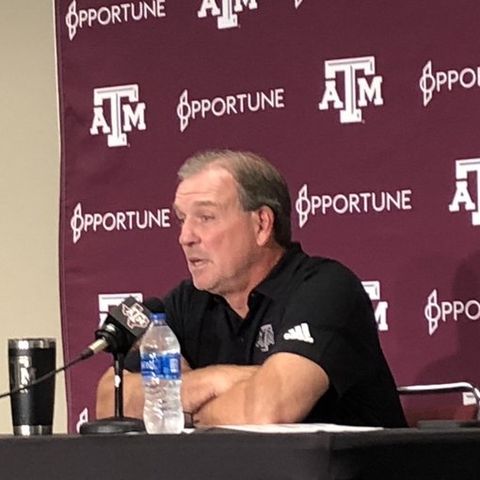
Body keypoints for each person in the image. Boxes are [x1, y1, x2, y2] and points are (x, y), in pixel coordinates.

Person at [96, 149, 406, 427]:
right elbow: (111, 401)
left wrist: (177, 407)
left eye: (205, 217)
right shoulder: (186, 303)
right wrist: (215, 380)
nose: (185, 237)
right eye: (181, 220)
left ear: (261, 224)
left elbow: (267, 410)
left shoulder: (325, 289)